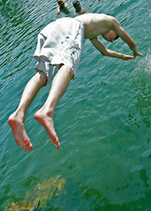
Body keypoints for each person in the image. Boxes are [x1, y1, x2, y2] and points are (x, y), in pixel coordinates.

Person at [8, 13, 142, 151]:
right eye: (115, 37)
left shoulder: (92, 31)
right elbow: (131, 42)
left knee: (43, 73)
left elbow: (104, 51)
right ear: (113, 30)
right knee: (68, 66)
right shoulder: (111, 21)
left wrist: (122, 57)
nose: (113, 41)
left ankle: (18, 114)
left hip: (54, 28)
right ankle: (47, 111)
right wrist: (135, 51)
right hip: (71, 26)